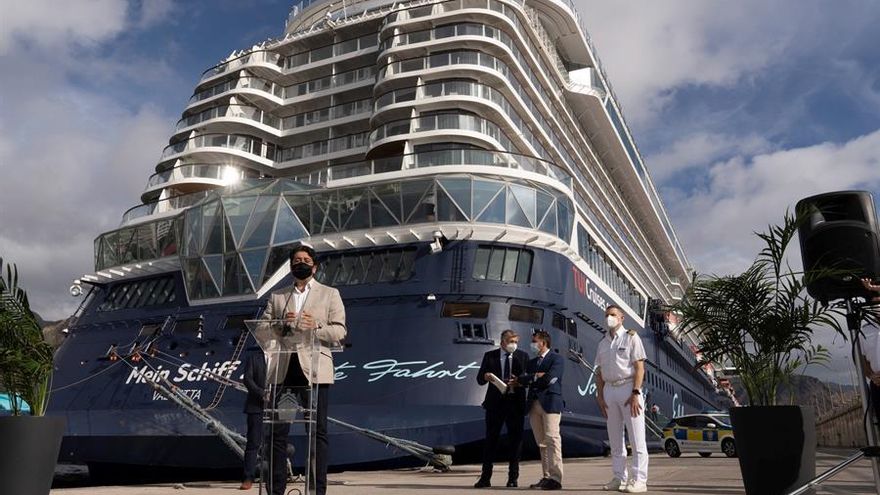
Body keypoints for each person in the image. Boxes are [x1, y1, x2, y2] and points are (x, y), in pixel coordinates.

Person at [259, 244, 346, 495]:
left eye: (306, 260)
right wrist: (279, 324)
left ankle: (317, 490)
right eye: (296, 260)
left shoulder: (330, 294)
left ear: (314, 266)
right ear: (290, 266)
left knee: (317, 432)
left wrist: (316, 326)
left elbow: (340, 331)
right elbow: (261, 329)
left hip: (315, 373)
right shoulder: (278, 296)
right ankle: (276, 490)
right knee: (277, 433)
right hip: (284, 371)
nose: (301, 264)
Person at [595, 305, 648, 493]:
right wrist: (600, 396)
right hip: (609, 389)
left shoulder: (631, 337)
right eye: (607, 315)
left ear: (621, 318)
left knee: (636, 438)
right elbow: (599, 372)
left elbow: (639, 368)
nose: (609, 318)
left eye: (613, 315)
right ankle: (619, 477)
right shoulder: (602, 343)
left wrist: (635, 393)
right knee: (615, 439)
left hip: (628, 387)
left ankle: (639, 480)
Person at [473, 330, 529, 488]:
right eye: (511, 341)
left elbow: (528, 379)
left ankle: (513, 478)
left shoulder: (523, 356)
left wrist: (519, 381)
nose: (514, 345)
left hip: (515, 403)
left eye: (516, 342)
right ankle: (485, 478)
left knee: (515, 442)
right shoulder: (490, 356)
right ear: (503, 342)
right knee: (490, 440)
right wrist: (485, 376)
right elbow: (479, 380)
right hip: (495, 404)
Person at [517, 329, 564, 491]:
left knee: (552, 438)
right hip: (533, 404)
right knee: (542, 442)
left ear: (543, 343)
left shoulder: (556, 359)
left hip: (550, 402)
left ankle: (556, 478)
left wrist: (532, 378)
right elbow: (523, 379)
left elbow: (551, 379)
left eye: (534, 341)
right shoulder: (531, 363)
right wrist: (536, 376)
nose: (532, 344)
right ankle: (546, 476)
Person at [240, 345, 268, 490]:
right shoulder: (254, 358)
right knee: (253, 443)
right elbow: (248, 379)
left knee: (277, 443)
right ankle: (248, 477)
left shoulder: (282, 358)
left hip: (277, 406)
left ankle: (275, 476)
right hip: (256, 406)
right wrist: (262, 393)